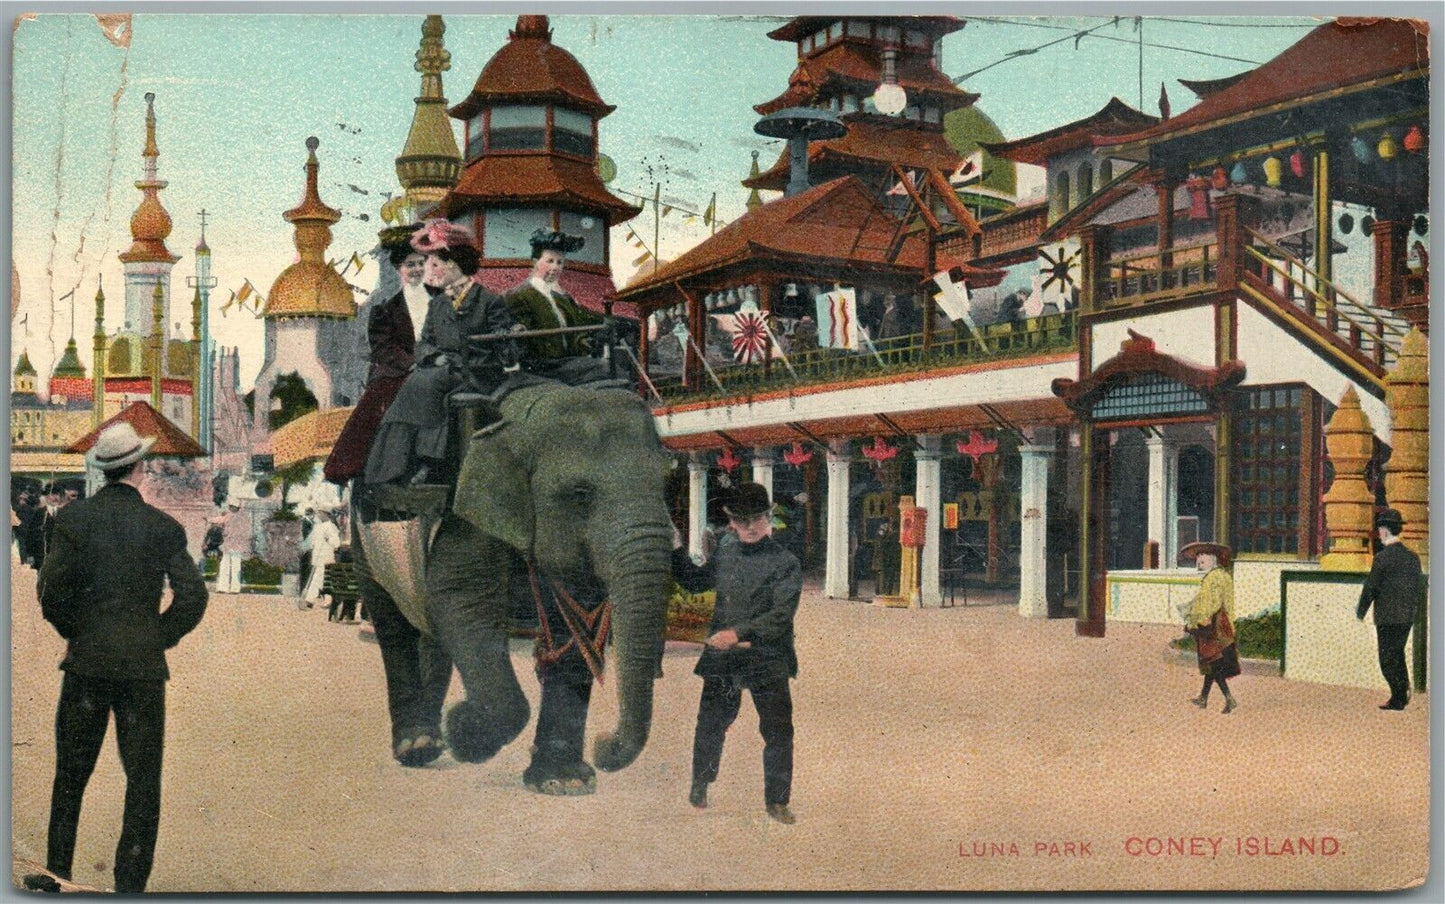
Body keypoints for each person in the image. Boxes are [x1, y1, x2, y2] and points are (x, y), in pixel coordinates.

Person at [29, 422, 207, 893]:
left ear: (103, 470)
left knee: (70, 776)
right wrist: (156, 636)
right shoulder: (163, 527)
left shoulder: (73, 520)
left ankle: (57, 874)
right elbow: (193, 597)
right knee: (143, 781)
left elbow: (50, 592)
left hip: (86, 665)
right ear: (139, 468)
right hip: (142, 672)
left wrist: (77, 632)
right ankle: (130, 887)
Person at [672, 482, 802, 824]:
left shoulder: (785, 563)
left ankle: (777, 801)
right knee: (710, 723)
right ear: (731, 521)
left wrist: (737, 633)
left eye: (757, 519)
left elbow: (780, 616)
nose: (750, 527)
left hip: (767, 656)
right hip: (723, 658)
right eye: (742, 520)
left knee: (778, 730)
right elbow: (695, 582)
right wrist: (674, 550)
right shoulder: (725, 551)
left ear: (768, 517)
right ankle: (701, 783)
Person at [364, 220, 519, 486]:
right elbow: (424, 343)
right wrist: (435, 357)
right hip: (446, 370)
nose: (431, 271)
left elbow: (501, 346)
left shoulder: (489, 301)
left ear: (454, 264)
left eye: (435, 265)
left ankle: (425, 463)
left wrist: (509, 336)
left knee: (425, 383)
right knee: (419, 383)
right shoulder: (438, 304)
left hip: (479, 372)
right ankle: (396, 467)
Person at [324, 223, 430, 485]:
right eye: (409, 265)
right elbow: (382, 348)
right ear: (399, 269)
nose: (416, 270)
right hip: (398, 369)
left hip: (432, 364)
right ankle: (371, 464)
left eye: (420, 264)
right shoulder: (384, 308)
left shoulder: (439, 300)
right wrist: (411, 364)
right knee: (382, 397)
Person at [502, 228, 620, 385]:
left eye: (560, 262)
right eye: (549, 261)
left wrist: (611, 324)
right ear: (535, 262)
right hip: (542, 367)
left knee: (617, 364)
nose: (555, 267)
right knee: (605, 368)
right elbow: (523, 342)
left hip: (567, 362)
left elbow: (585, 319)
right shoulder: (518, 296)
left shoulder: (561, 298)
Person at [1356, 508, 1423, 710]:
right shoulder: (1413, 558)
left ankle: (1399, 695)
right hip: (1406, 616)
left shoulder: (1382, 558)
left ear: (1384, 531)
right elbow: (1418, 587)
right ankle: (1400, 694)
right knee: (1397, 654)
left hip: (1387, 616)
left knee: (1387, 659)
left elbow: (1371, 587)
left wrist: (1361, 611)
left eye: (1380, 530)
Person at [1179, 541, 1239, 714]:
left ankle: (1229, 698)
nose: (1199, 562)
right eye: (1198, 558)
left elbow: (1212, 603)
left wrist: (1199, 620)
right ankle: (1203, 698)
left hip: (1213, 624)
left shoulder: (1214, 577)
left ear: (1213, 559)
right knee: (1212, 662)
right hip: (1221, 623)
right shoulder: (1221, 575)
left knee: (1213, 662)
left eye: (1203, 558)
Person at [302, 508, 341, 603]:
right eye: (318, 512)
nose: (318, 514)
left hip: (326, 557)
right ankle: (323, 598)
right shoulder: (317, 527)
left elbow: (336, 543)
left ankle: (310, 599)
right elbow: (312, 542)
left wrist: (328, 539)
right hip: (317, 557)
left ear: (326, 514)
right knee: (320, 578)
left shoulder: (331, 526)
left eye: (320, 512)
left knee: (320, 578)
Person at [213, 499, 249, 593]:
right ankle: (224, 587)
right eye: (231, 507)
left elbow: (244, 532)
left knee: (235, 566)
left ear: (237, 508)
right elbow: (219, 520)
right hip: (229, 544)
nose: (231, 508)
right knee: (225, 565)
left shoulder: (241, 518)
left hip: (236, 544)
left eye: (233, 507)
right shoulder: (231, 516)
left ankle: (234, 588)